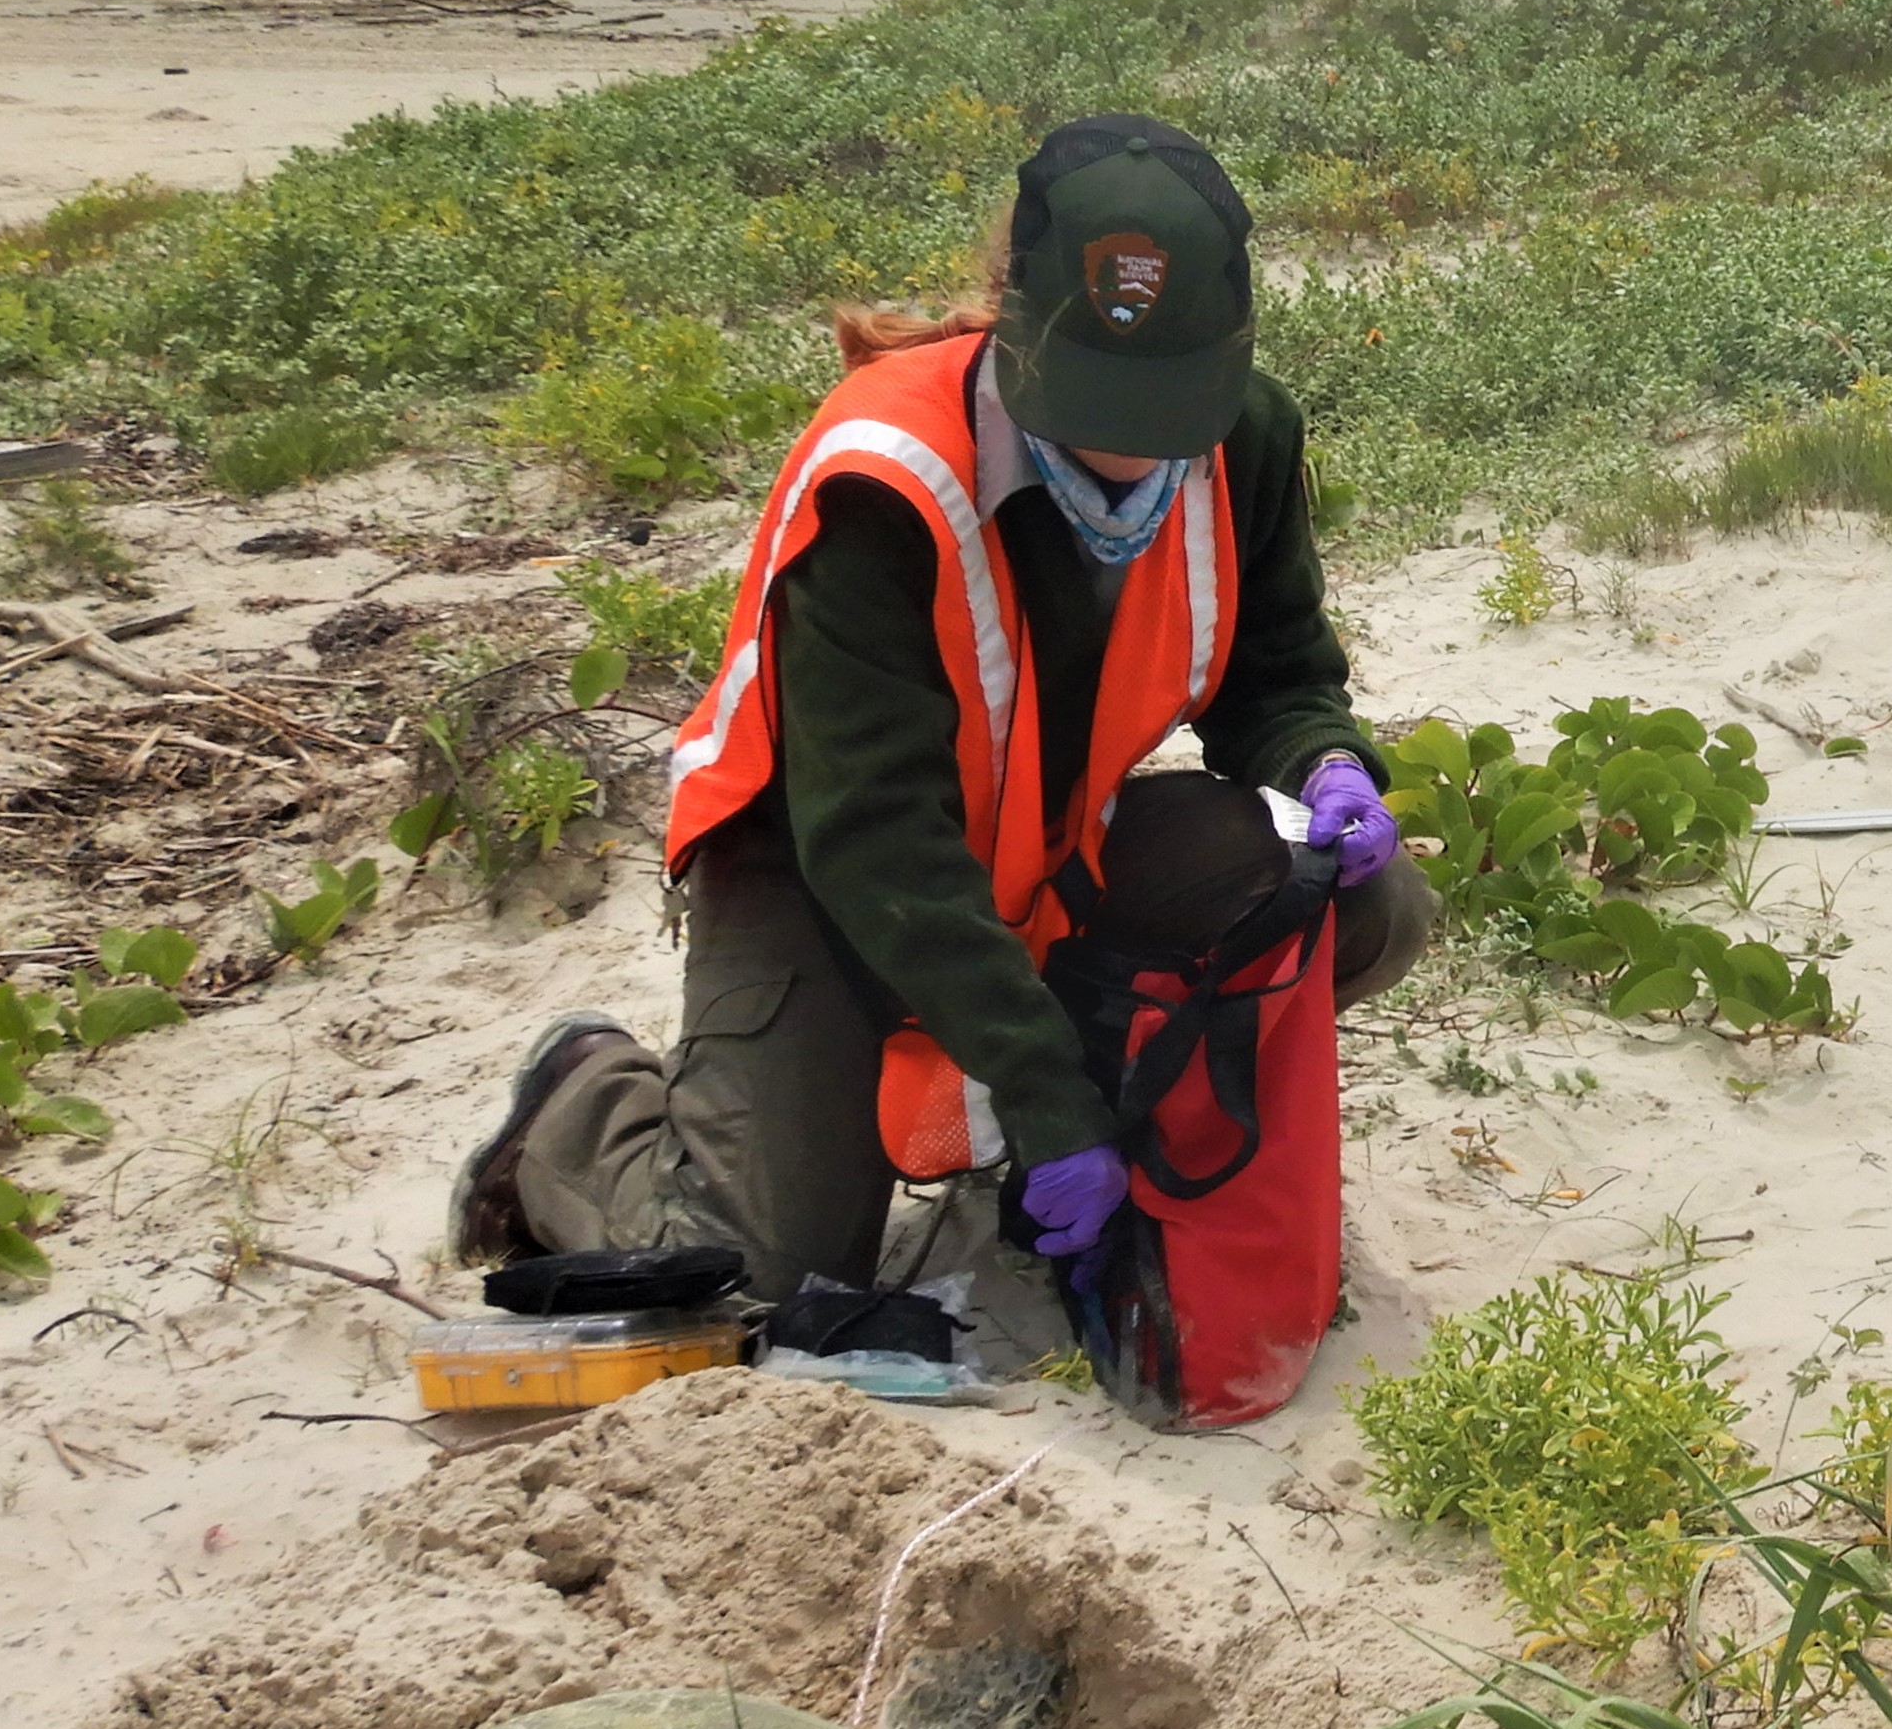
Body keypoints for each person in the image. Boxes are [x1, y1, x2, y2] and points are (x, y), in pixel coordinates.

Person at [454, 115, 1437, 1301]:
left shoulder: (1250, 436)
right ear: (1011, 325)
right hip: (826, 875)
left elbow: (1274, 674)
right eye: (1095, 400)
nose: (1132, 450)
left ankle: (1095, 1082)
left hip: (1047, 850)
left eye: (1165, 405)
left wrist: (1324, 761)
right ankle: (580, 1094)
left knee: (1365, 905)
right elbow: (878, 837)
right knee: (753, 1271)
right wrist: (1043, 1096)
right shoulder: (882, 476)